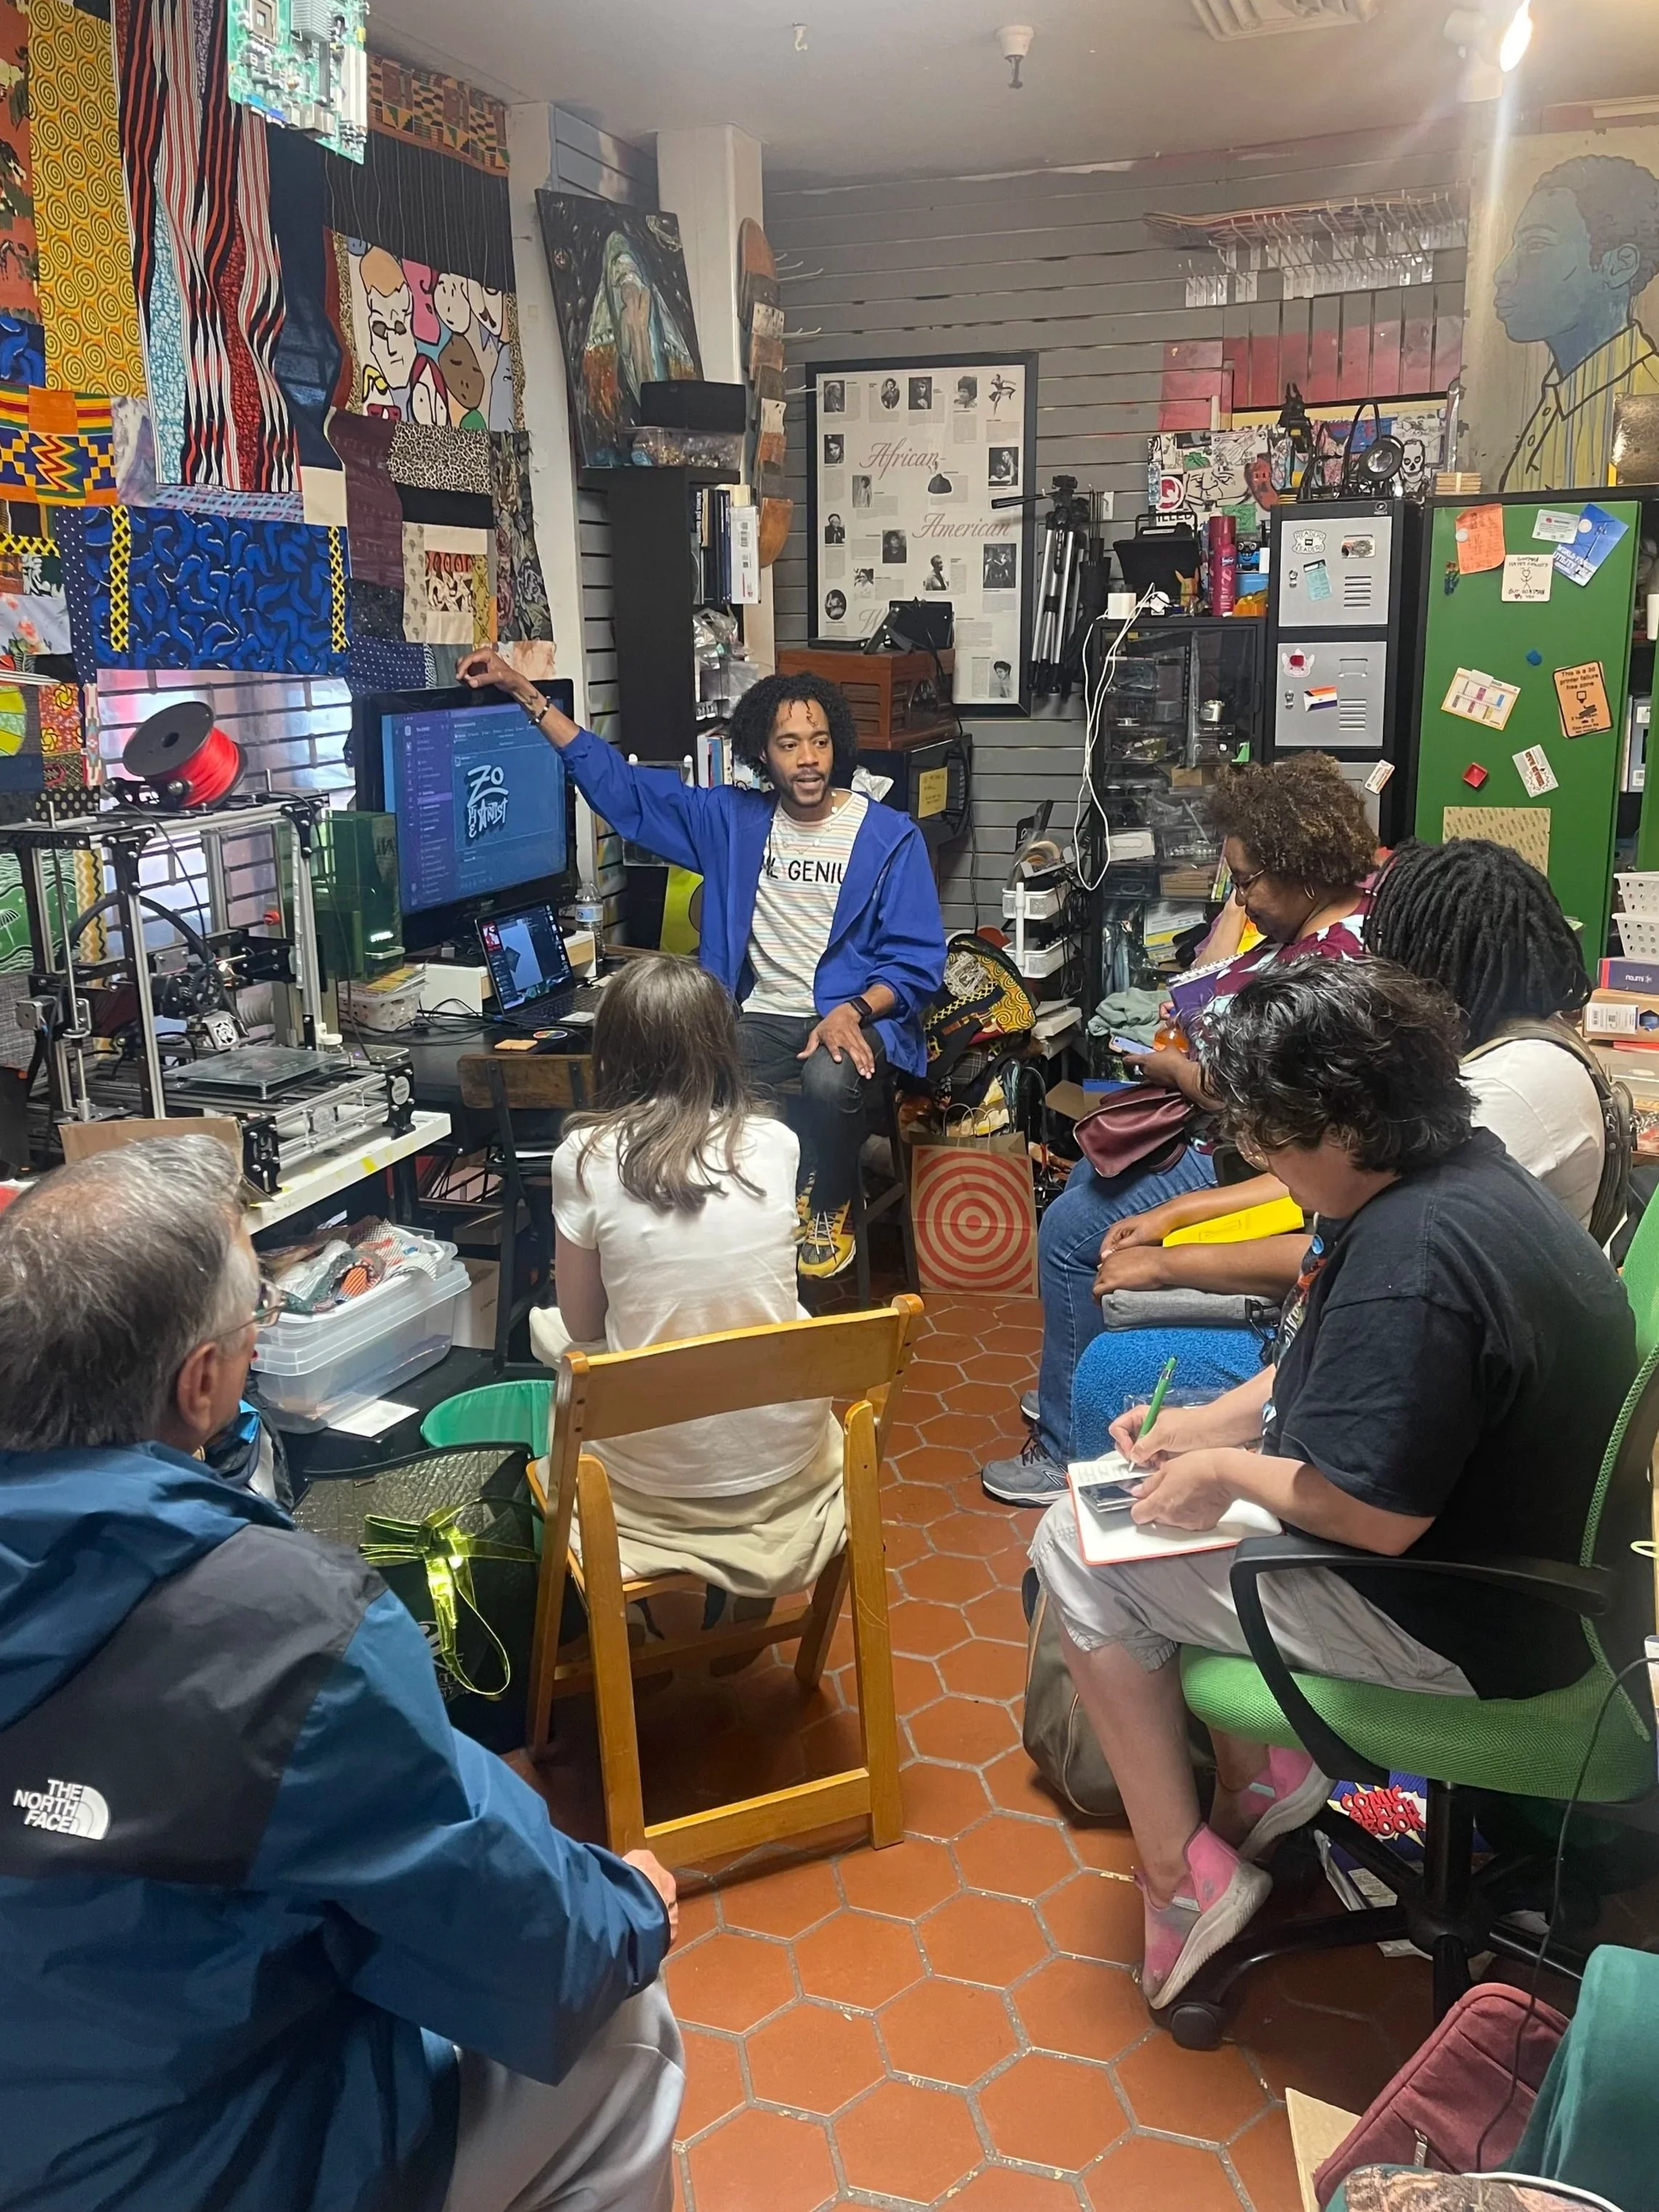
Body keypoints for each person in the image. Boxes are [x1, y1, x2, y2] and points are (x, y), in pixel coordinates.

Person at [0, 1137, 682, 2212]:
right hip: (184, 2161)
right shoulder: (281, 1624)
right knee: (625, 2028)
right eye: (252, 1322)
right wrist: (631, 1906)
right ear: (205, 1379)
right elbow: (526, 1931)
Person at [1030, 959, 1637, 2012]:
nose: (1258, 1156)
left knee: (1071, 1543)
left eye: (1269, 1137)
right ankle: (1263, 1776)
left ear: (1343, 1123)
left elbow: (1374, 1514)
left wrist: (1219, 1472)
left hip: (1460, 1615)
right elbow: (1327, 1360)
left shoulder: (1417, 1259)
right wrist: (1204, 1427)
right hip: (1512, 1561)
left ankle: (1182, 1879)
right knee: (1138, 1499)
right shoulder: (1453, 1170)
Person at [1067, 835, 1610, 1448]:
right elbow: (1320, 1190)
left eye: (1391, 945)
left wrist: (1168, 1263)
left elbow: (1353, 1246)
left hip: (1410, 1353)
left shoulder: (1509, 1092)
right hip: (1364, 1316)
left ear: (1436, 959)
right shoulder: (1497, 1051)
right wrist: (1175, 1214)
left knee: (1113, 1369)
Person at [458, 650, 946, 1279]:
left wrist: (852, 1013)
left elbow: (916, 964)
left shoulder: (887, 836)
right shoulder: (734, 821)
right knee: (689, 1067)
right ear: (762, 755)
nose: (808, 759)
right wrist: (526, 693)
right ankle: (716, 1213)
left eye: (820, 742)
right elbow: (622, 790)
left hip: (855, 1016)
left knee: (828, 1081)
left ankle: (829, 1200)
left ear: (836, 747)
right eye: (790, 744)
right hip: (759, 1014)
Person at [982, 752, 1373, 1505]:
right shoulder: (1303, 927)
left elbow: (1242, 1088)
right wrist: (1234, 917)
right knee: (1093, 1179)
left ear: (1296, 864)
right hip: (1229, 1134)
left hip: (1245, 1151)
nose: (1241, 895)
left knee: (1069, 1230)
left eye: (1248, 878)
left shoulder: (1333, 962)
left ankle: (1061, 1448)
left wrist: (1170, 1071)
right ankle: (1066, 1384)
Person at [531, 956, 844, 1600]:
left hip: (650, 1490)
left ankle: (644, 1618)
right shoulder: (776, 1143)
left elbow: (585, 1324)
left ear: (612, 1051)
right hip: (791, 1468)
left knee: (560, 1342)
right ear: (721, 1046)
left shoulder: (584, 1158)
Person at [1495, 152, 1659, 491]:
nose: (1502, 273)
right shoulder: (1559, 398)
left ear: (1618, 265)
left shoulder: (1648, 399)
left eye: (1536, 245)